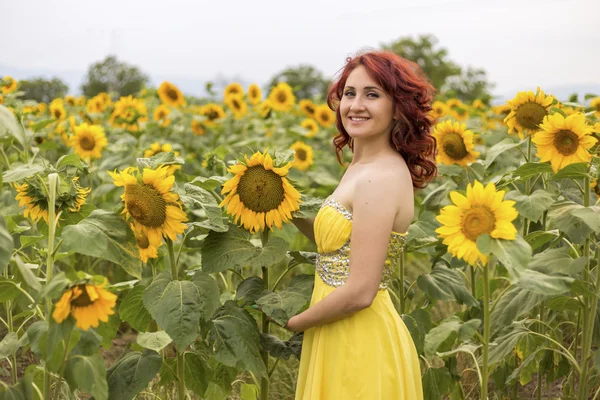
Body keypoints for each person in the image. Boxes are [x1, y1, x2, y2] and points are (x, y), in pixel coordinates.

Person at [287, 50, 437, 399]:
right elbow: (339, 243)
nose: (356, 104)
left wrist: (291, 323)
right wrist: (284, 208)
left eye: (372, 95)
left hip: (359, 341)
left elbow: (360, 293)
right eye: (350, 93)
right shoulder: (362, 167)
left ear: (398, 107)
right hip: (337, 328)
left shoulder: (380, 177)